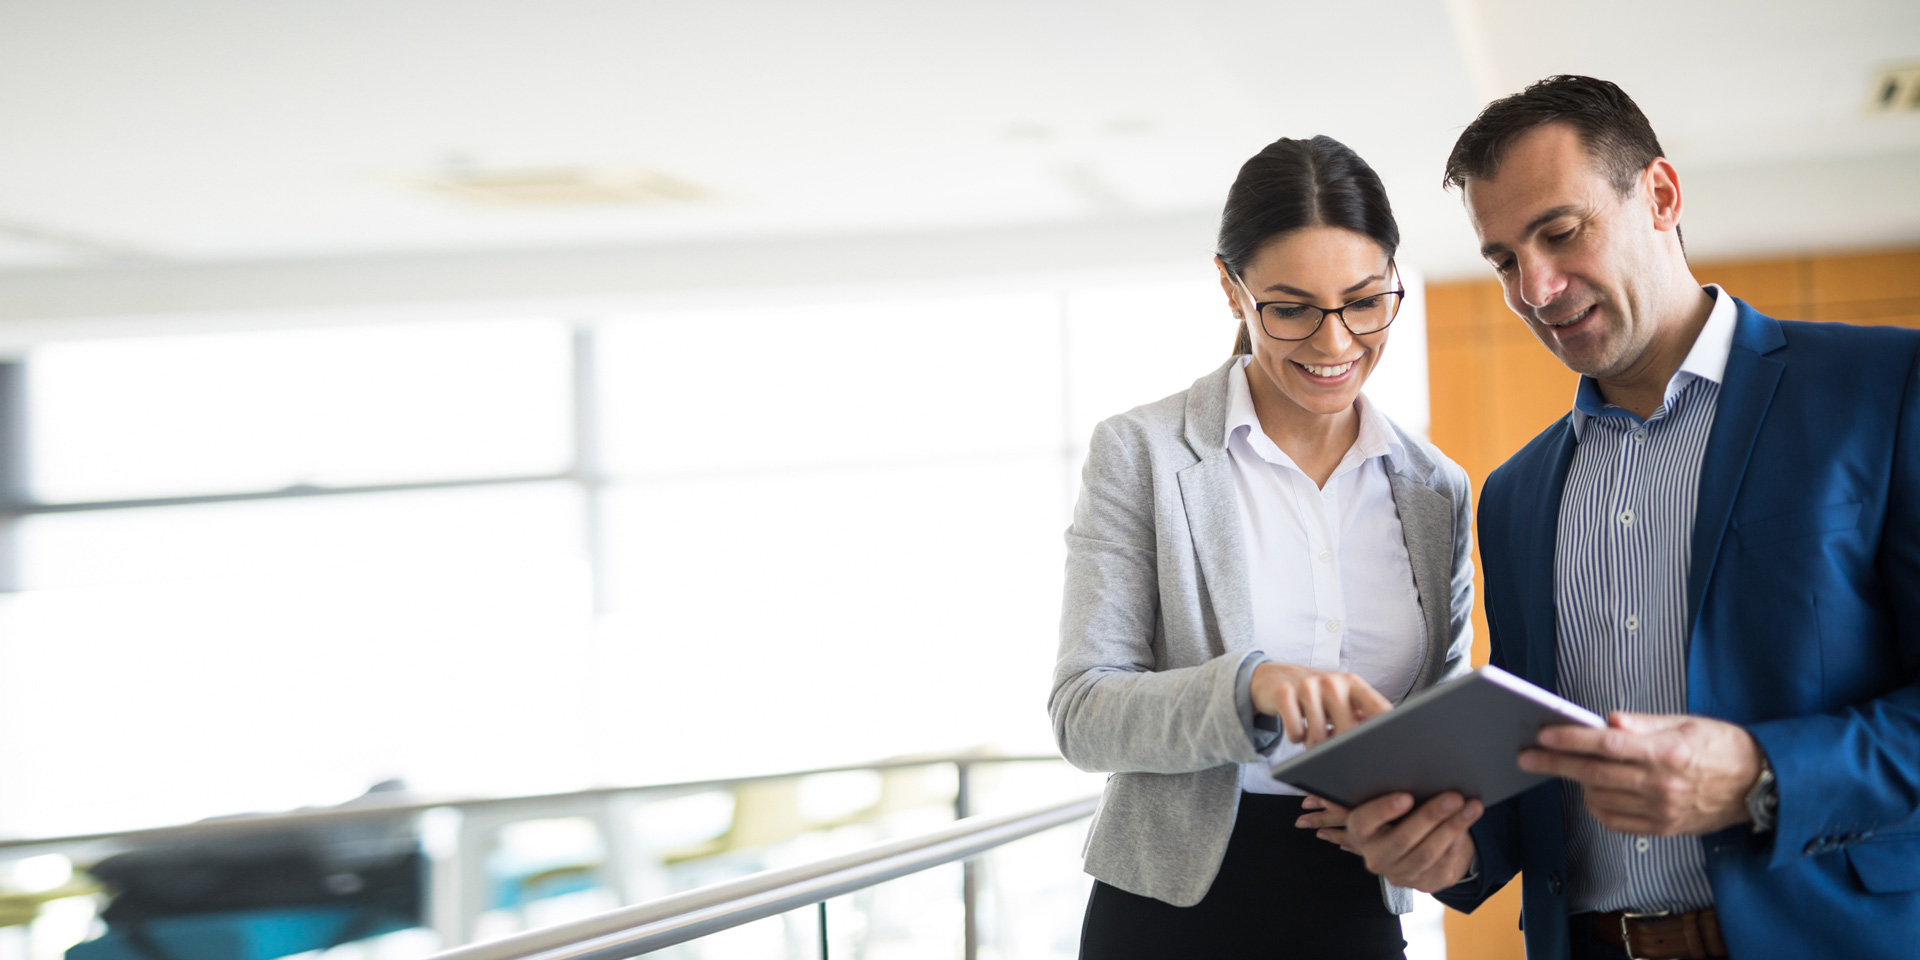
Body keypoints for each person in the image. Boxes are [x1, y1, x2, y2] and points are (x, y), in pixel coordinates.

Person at [1325, 75, 1920, 959]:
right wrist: (1454, 850)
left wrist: (1763, 776)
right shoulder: (1516, 494)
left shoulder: (1882, 390)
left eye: (1560, 232)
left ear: (1662, 196)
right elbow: (1540, 765)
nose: (1536, 286)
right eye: (1502, 260)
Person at [1049, 134, 1475, 959]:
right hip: (1169, 908)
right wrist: (1254, 689)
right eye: (1291, 308)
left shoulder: (1435, 490)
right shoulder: (1144, 453)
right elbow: (1083, 714)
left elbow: (1436, 718)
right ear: (1231, 289)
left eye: (1364, 301)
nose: (1335, 343)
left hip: (1357, 900)